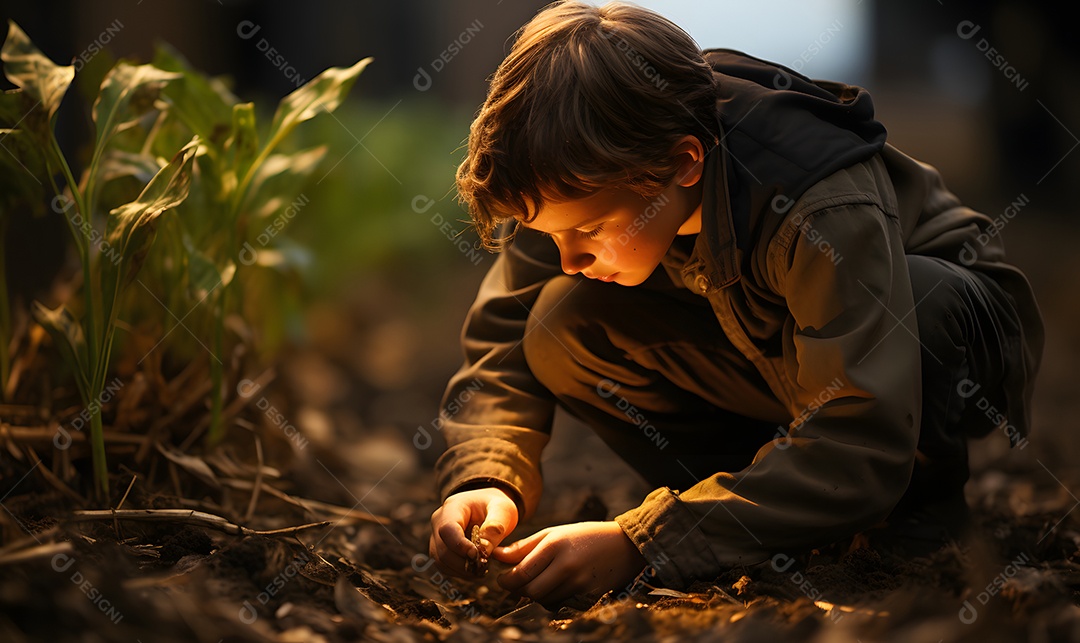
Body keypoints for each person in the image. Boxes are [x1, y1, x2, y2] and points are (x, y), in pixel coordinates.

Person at [426, 0, 1044, 609]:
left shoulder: (816, 200)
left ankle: (918, 515)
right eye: (550, 235)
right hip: (770, 354)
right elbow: (507, 328)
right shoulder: (580, 170)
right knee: (558, 323)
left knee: (924, 303)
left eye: (587, 232)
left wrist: (642, 543)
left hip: (925, 350)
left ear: (683, 163)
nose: (568, 258)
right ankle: (756, 509)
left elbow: (863, 430)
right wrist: (488, 476)